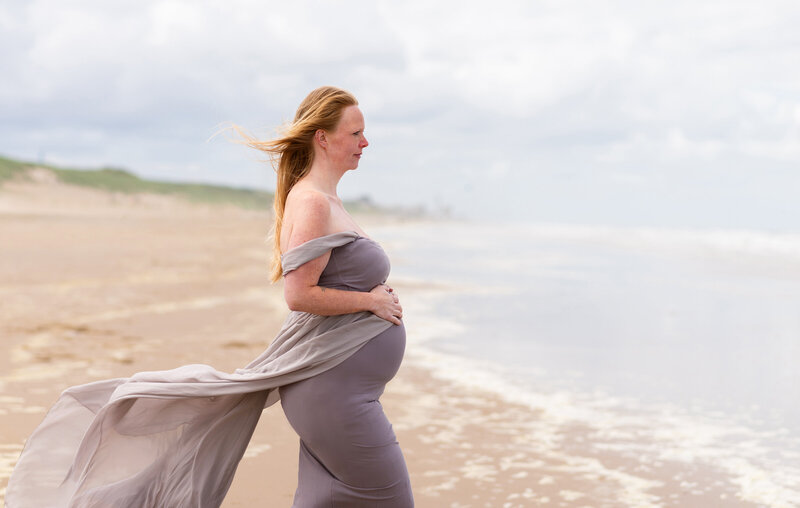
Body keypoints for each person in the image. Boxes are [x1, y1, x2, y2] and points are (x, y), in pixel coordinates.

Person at [5, 86, 414, 507]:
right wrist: (370, 302)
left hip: (335, 390)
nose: (365, 143)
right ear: (322, 137)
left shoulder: (327, 199)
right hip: (333, 395)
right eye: (355, 133)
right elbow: (299, 295)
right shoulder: (311, 202)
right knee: (390, 499)